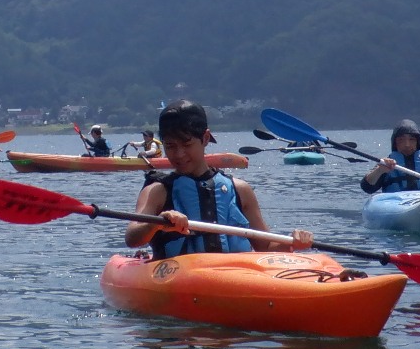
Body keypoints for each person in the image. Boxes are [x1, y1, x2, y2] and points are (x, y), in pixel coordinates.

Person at [124, 100, 313, 258]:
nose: (179, 154)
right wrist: (158, 222)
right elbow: (132, 238)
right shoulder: (157, 191)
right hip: (180, 280)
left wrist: (292, 242)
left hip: (234, 276)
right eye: (170, 146)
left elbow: (266, 247)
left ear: (205, 139)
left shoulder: (240, 190)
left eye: (187, 144)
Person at [361, 119, 420, 194]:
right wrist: (379, 170)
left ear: (418, 142)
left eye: (412, 140)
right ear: (395, 143)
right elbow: (367, 188)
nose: (407, 145)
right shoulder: (385, 165)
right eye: (401, 140)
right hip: (397, 207)